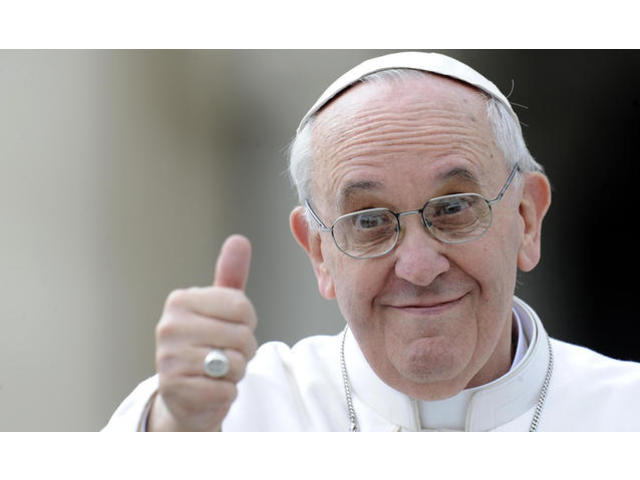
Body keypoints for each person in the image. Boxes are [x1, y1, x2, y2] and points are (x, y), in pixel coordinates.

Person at [103, 51, 640, 432]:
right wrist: (177, 433)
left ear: (526, 219)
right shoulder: (238, 412)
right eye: (369, 221)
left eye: (453, 208)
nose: (419, 266)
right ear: (319, 253)